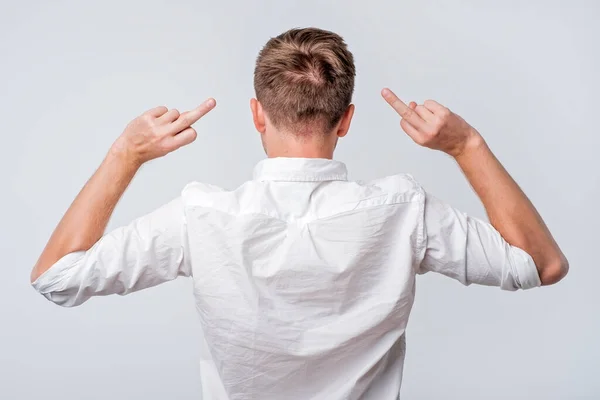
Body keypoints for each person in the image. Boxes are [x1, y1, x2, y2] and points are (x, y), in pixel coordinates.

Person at [30, 27, 568, 399]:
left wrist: (126, 153)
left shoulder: (202, 215)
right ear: (347, 119)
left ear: (257, 116)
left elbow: (56, 279)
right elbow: (541, 265)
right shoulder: (404, 209)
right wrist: (467, 145)